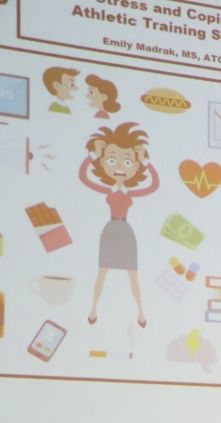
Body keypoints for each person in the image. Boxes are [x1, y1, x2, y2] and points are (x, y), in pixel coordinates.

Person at [79, 122, 159, 327]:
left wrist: (145, 162)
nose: (121, 167)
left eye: (128, 162)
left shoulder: (131, 192)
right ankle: (93, 308)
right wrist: (92, 157)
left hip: (125, 232)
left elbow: (153, 185)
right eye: (112, 160)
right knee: (102, 271)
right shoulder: (109, 191)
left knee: (133, 274)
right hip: (111, 231)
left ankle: (141, 312)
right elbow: (84, 178)